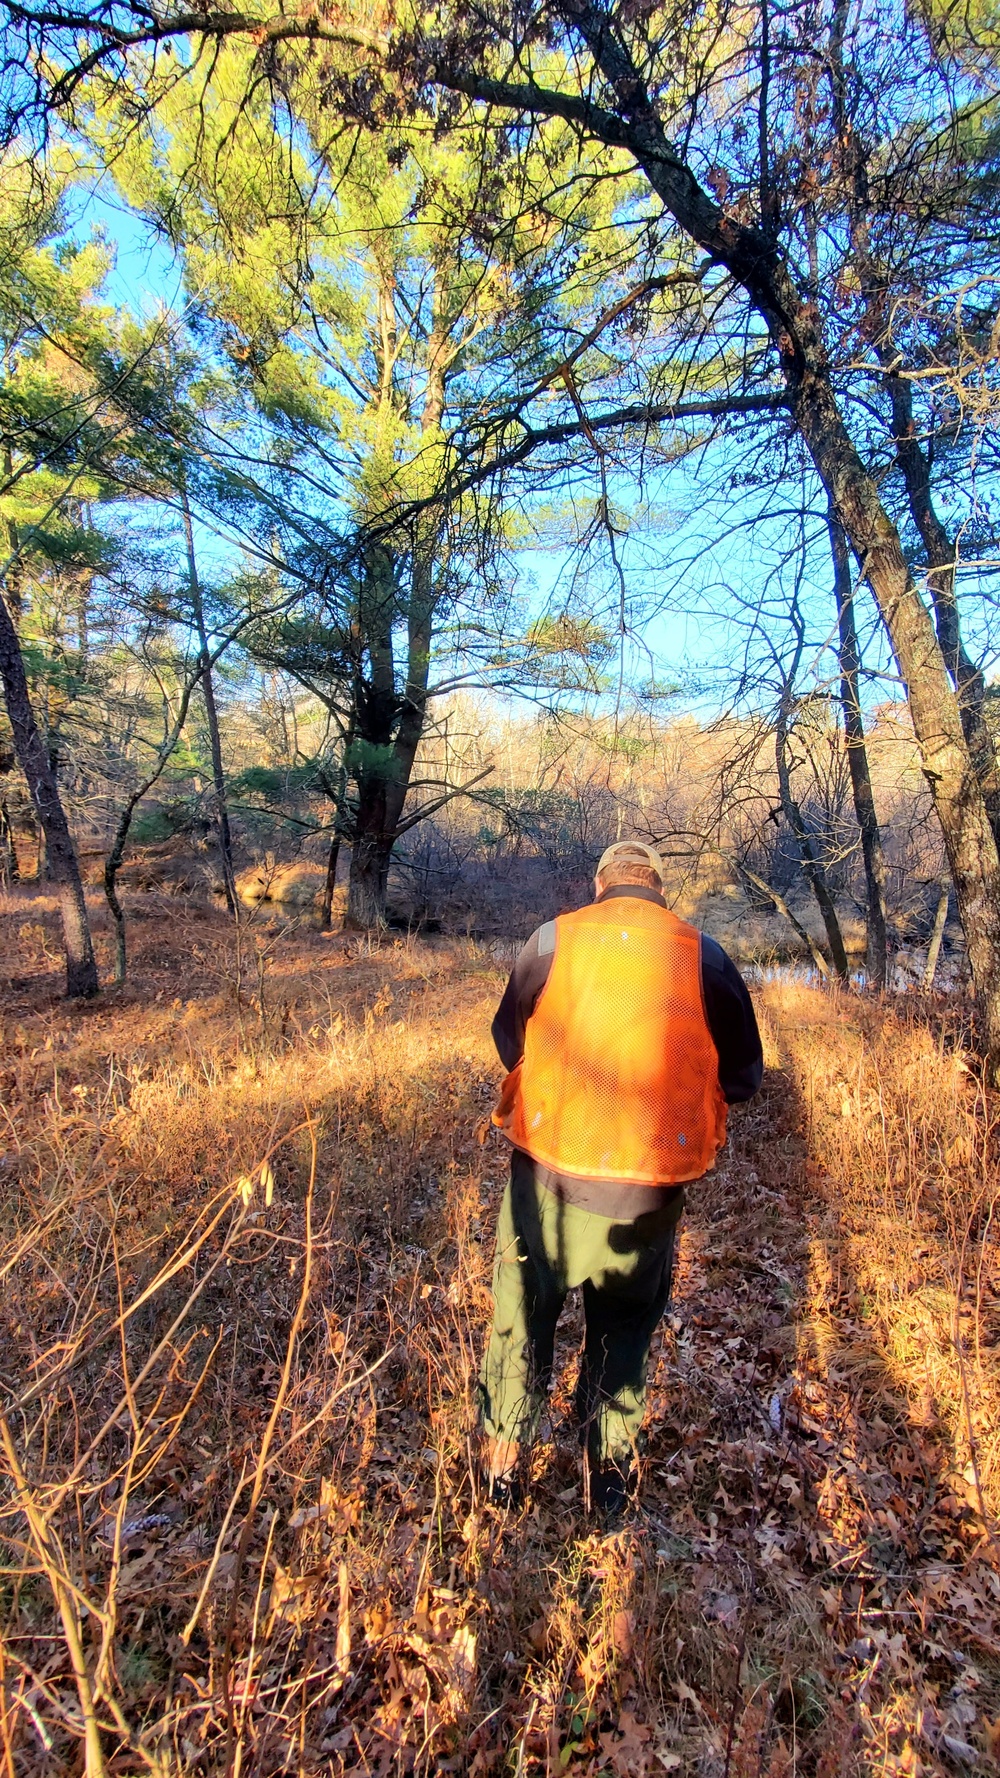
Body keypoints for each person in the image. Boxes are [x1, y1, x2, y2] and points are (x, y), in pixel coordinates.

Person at [479, 840, 763, 1520]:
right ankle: (607, 1484)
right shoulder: (705, 954)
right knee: (625, 1331)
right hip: (648, 1190)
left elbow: (509, 1043)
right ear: (659, 889)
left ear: (599, 882)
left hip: (544, 1178)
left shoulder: (553, 940)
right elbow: (743, 1076)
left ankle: (500, 1478)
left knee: (520, 1320)